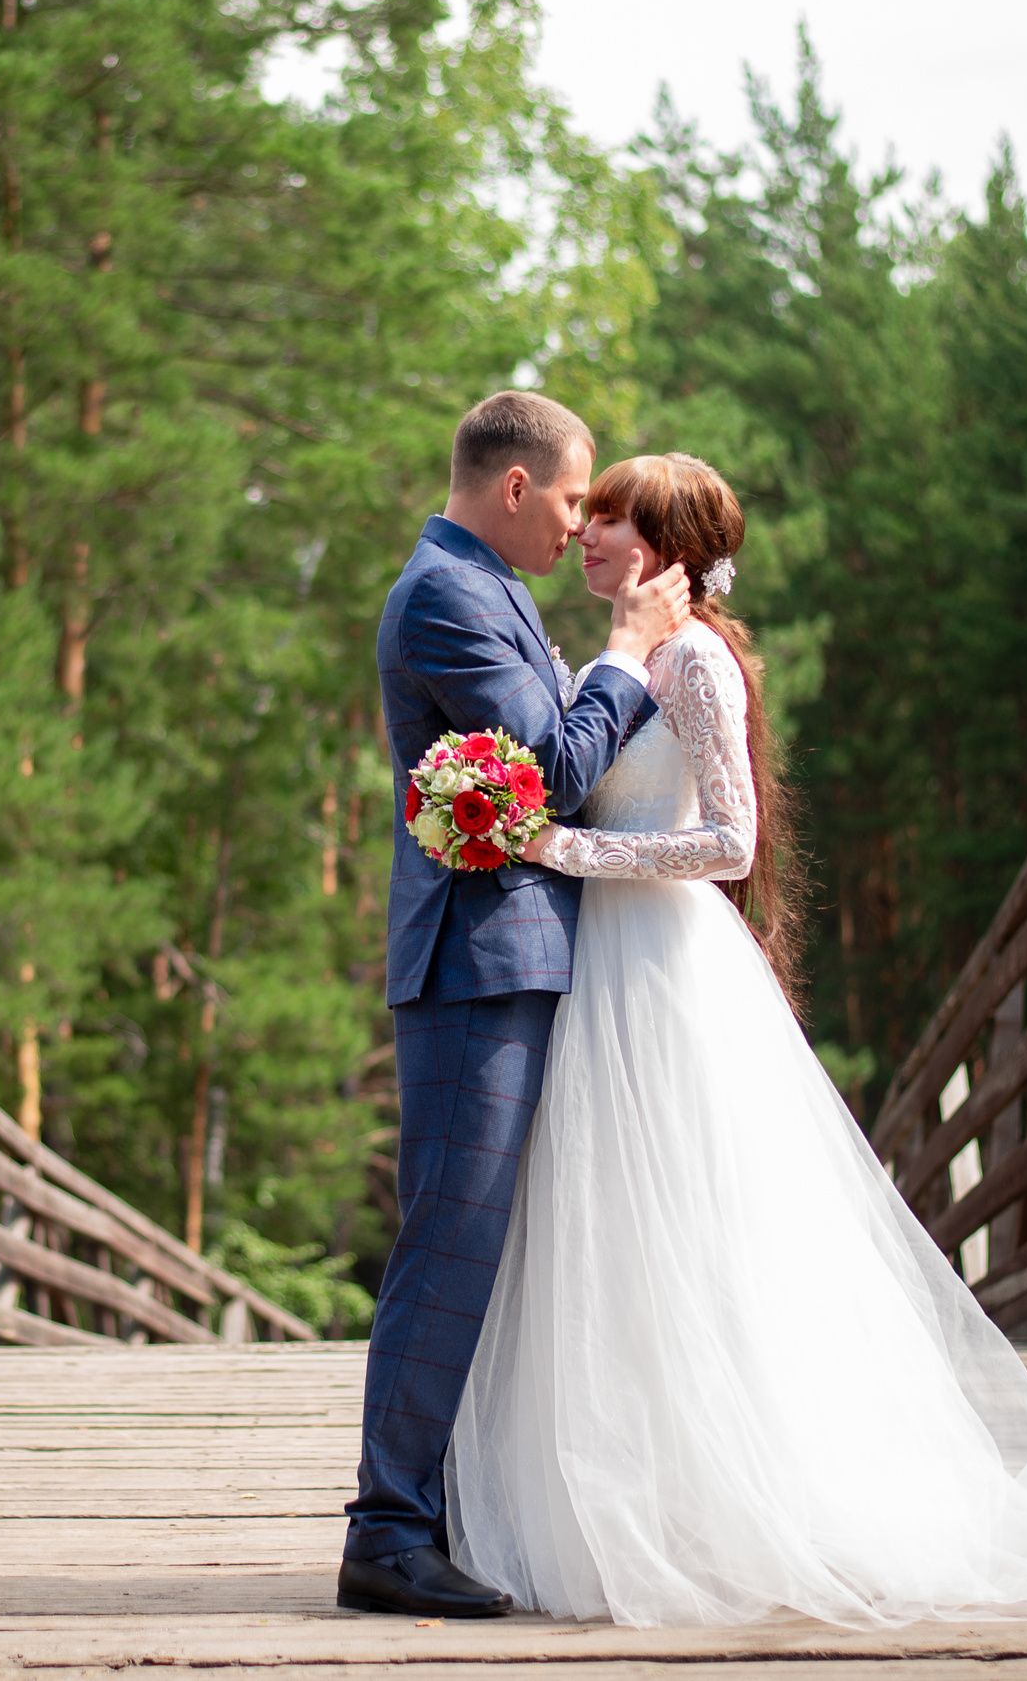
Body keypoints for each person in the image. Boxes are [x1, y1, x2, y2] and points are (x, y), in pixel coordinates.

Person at [443, 452, 1027, 1628]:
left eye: (611, 519)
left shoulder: (693, 657)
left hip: (664, 964)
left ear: (666, 547)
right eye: (589, 514)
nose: (587, 534)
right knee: (608, 1230)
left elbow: (730, 841)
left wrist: (565, 849)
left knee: (692, 1222)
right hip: (601, 963)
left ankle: (727, 1502)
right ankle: (623, 1500)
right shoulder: (621, 655)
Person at [340, 392, 692, 1619]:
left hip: (516, 959)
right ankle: (387, 1533)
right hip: (473, 964)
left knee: (489, 1247)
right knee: (449, 1244)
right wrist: (629, 652)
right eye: (570, 497)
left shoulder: (488, 587)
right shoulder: (447, 594)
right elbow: (550, 773)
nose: (579, 523)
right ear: (511, 486)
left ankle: (451, 1515)